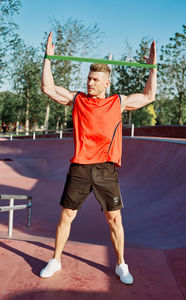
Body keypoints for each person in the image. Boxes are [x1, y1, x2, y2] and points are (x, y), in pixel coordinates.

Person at [40, 32, 157, 285]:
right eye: (89, 78)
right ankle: (56, 260)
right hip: (80, 168)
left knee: (115, 218)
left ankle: (121, 264)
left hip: (106, 170)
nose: (90, 83)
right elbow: (48, 88)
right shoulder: (78, 99)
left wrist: (152, 68)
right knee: (67, 215)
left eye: (95, 80)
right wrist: (47, 57)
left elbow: (149, 96)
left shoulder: (118, 102)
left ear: (106, 84)